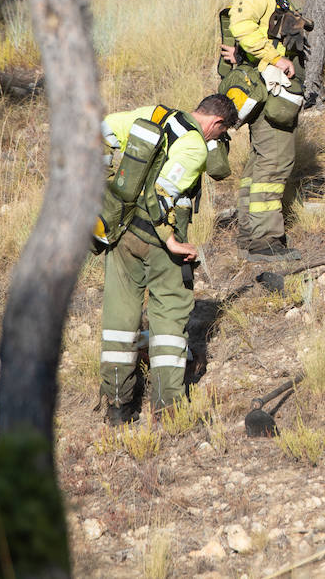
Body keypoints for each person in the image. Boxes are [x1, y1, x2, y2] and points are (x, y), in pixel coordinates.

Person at [97, 94, 237, 425]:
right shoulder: (193, 146)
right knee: (169, 320)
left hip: (120, 232)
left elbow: (101, 131)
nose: (217, 140)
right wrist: (171, 240)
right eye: (221, 134)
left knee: (119, 316)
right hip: (158, 243)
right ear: (215, 123)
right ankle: (167, 408)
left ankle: (118, 406)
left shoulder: (153, 114)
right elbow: (162, 196)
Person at [220, 0, 313, 261]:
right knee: (274, 163)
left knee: (261, 162)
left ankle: (250, 234)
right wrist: (276, 58)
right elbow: (241, 26)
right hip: (268, 87)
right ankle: (265, 242)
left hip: (271, 89)